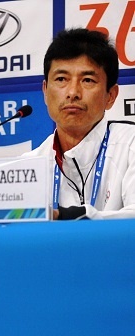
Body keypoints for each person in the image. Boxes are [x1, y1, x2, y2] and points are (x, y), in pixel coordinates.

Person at [25, 28, 135, 220]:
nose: (72, 92)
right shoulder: (30, 165)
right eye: (61, 79)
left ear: (111, 96)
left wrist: (70, 217)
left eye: (87, 80)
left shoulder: (130, 145)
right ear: (45, 90)